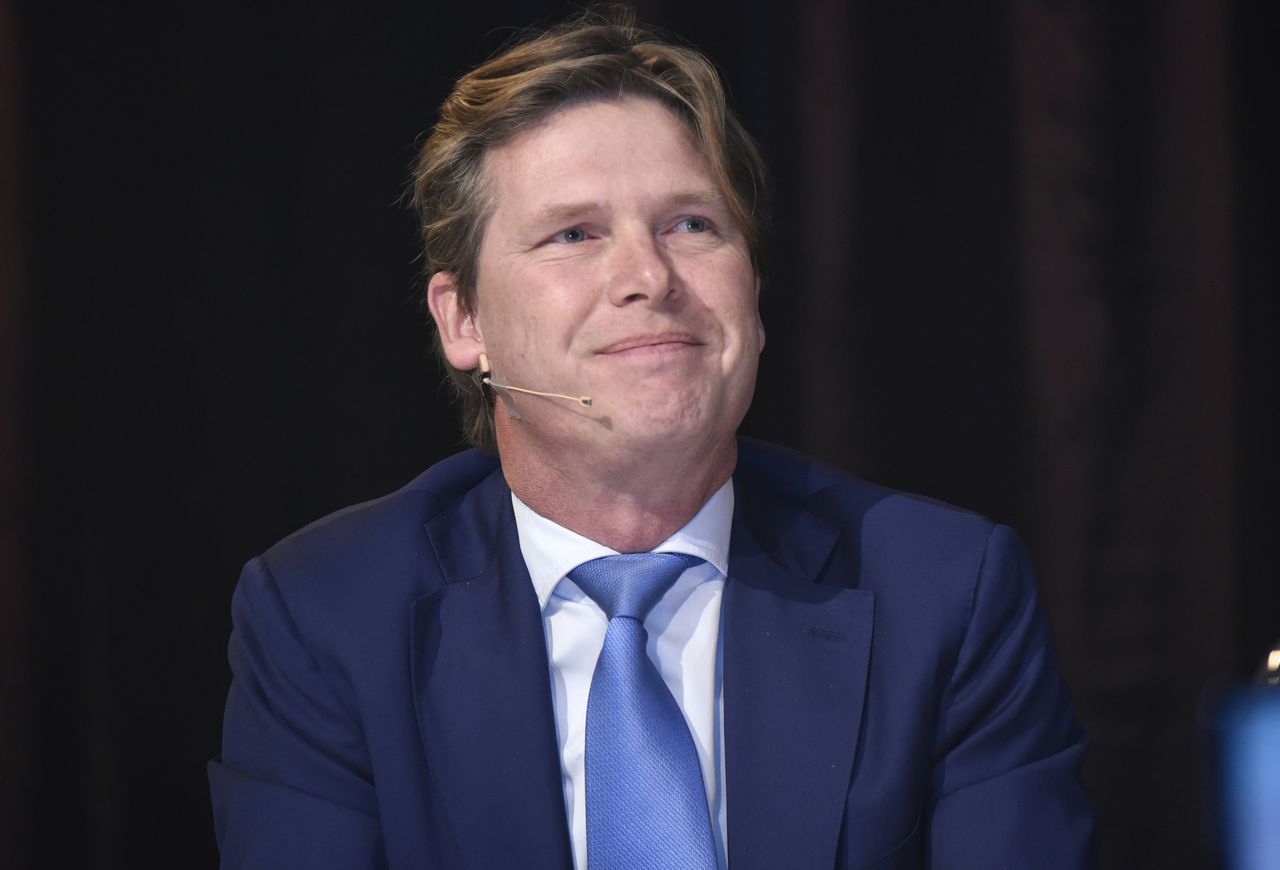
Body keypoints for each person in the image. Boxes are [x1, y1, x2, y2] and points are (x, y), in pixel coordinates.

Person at [208, 9, 1094, 869]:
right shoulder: (326, 616)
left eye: (690, 225)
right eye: (574, 234)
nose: (648, 276)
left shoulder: (945, 596)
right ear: (464, 321)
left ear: (753, 294)